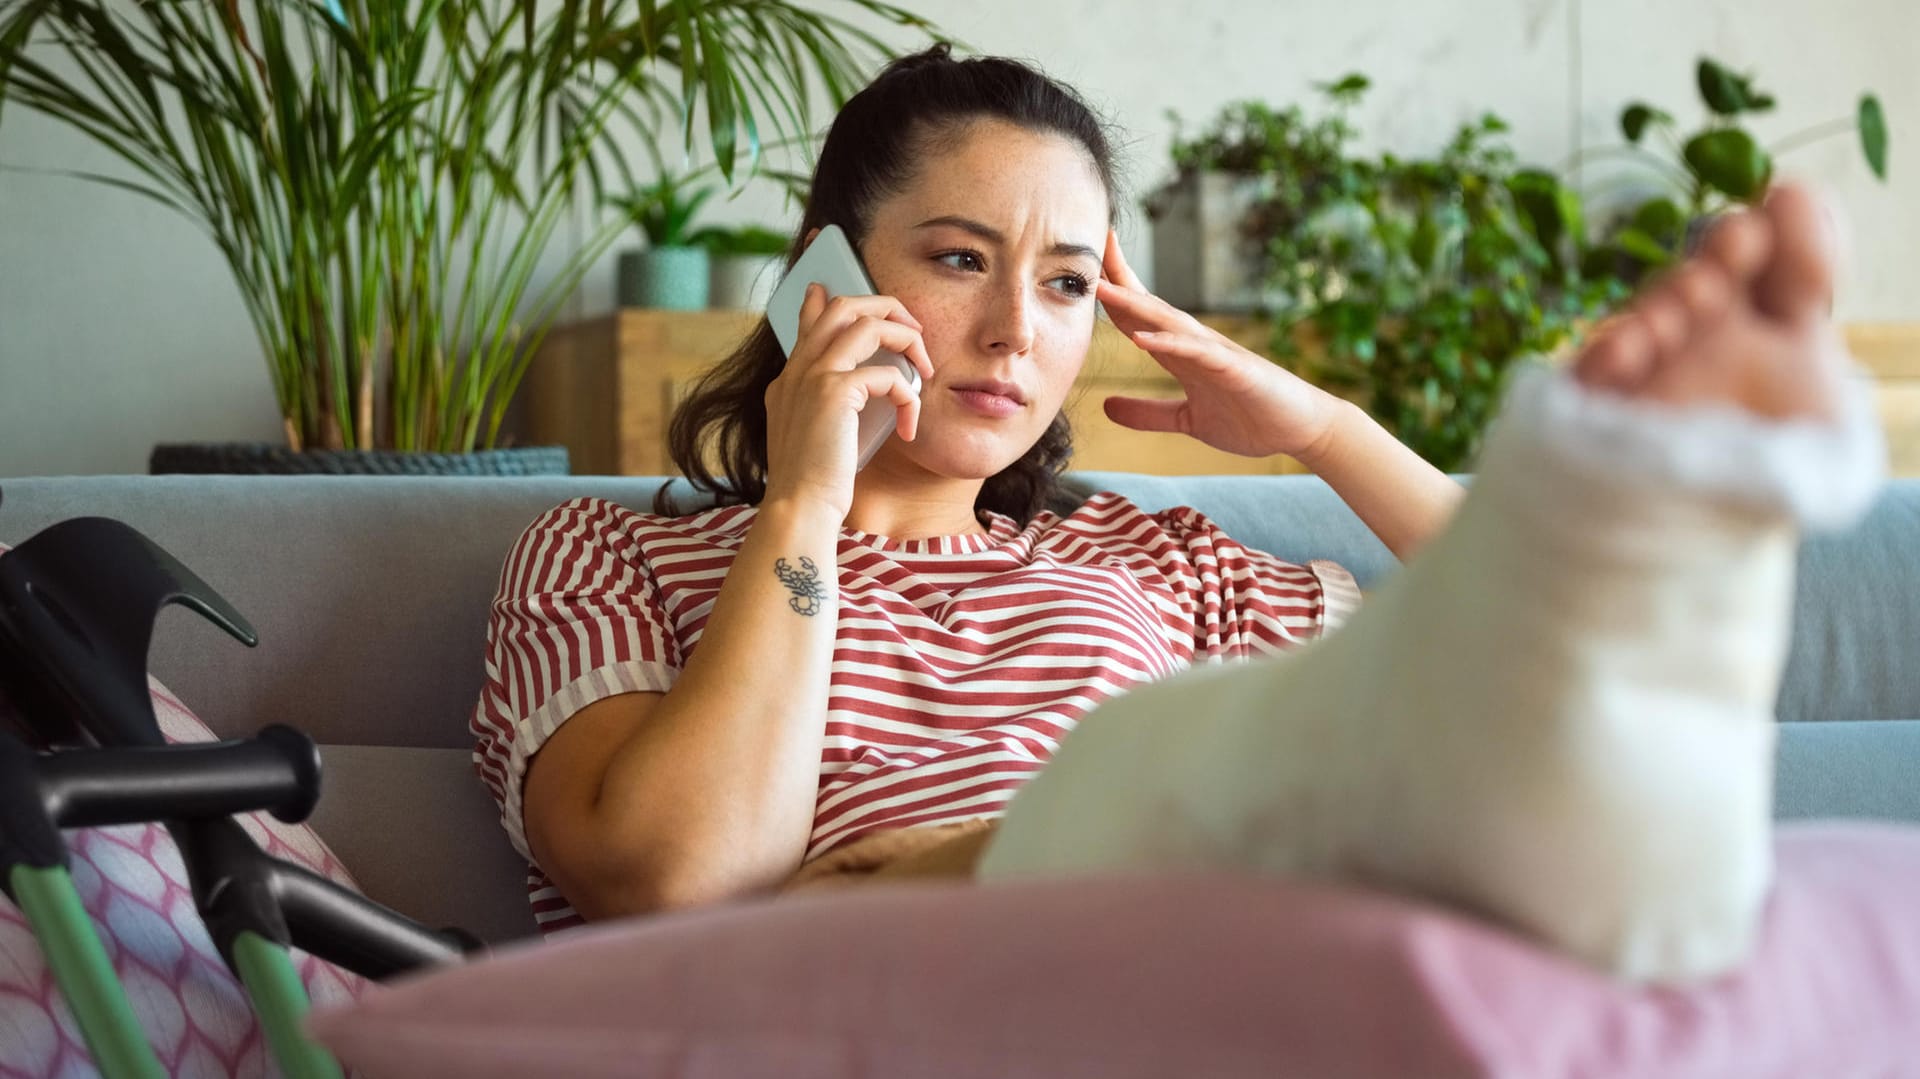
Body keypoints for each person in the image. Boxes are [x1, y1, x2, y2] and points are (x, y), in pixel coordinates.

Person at [469, 44, 1882, 985]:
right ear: (824, 277)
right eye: (961, 258)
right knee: (1214, 797)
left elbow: (1534, 658)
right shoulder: (611, 554)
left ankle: (1660, 536)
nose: (1017, 327)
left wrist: (1324, 432)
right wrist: (805, 502)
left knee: (1518, 717)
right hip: (870, 1002)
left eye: (1072, 282)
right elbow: (672, 878)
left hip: (1205, 992)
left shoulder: (1153, 559)